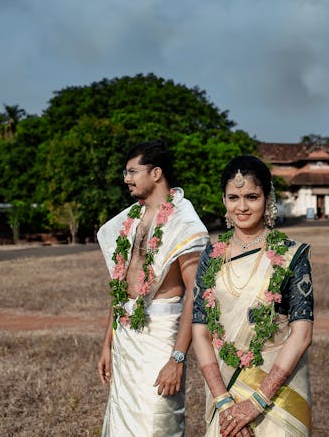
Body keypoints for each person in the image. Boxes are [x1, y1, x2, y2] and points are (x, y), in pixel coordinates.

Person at [192, 155, 314, 436]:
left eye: (251, 196)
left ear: (267, 198)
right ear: (223, 200)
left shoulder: (291, 255)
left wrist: (257, 402)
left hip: (279, 399)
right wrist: (224, 403)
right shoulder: (210, 256)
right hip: (224, 392)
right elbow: (200, 331)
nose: (242, 207)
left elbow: (302, 335)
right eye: (233, 197)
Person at [96, 140, 209, 436]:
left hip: (160, 341)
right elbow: (119, 285)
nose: (126, 179)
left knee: (157, 424)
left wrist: (178, 358)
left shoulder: (184, 222)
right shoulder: (131, 220)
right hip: (125, 341)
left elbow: (196, 295)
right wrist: (107, 342)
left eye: (132, 171)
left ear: (156, 173)